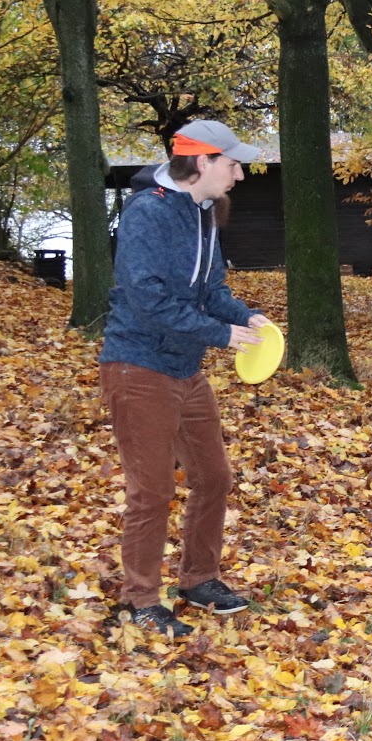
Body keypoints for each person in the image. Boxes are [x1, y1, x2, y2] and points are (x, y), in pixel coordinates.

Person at [99, 120, 272, 638]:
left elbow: (212, 287)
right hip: (139, 366)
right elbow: (147, 299)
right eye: (233, 164)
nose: (240, 174)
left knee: (213, 476)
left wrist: (246, 316)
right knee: (151, 491)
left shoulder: (202, 213)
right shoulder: (148, 214)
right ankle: (138, 602)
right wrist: (220, 334)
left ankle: (198, 579)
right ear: (202, 162)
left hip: (185, 368)